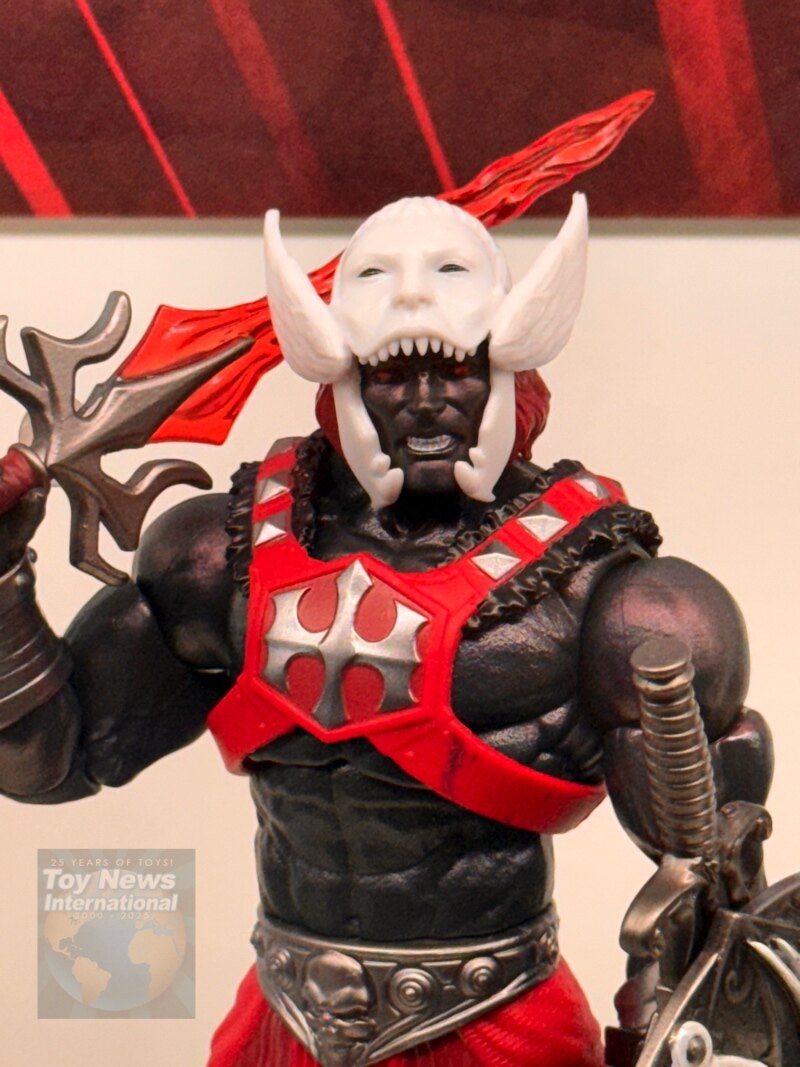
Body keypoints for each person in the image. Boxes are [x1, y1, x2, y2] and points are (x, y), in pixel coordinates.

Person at [0, 194, 772, 1067]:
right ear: (345, 381)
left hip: (494, 1019)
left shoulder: (611, 592)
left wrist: (683, 982)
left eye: (457, 371)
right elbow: (48, 762)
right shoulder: (218, 554)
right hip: (287, 1015)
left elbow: (710, 885)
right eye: (396, 377)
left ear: (507, 373)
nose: (427, 403)